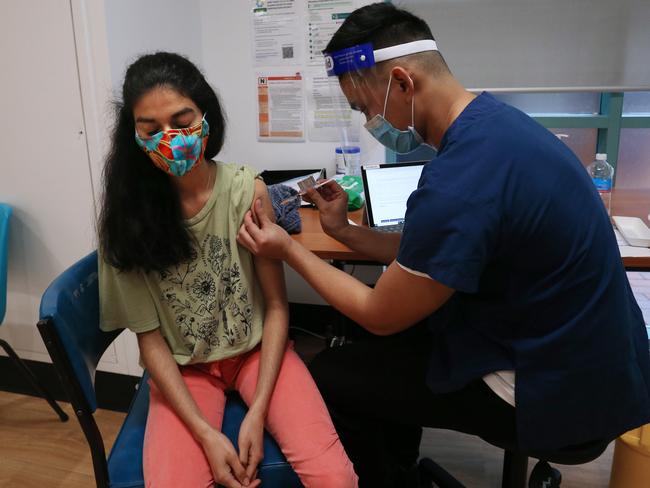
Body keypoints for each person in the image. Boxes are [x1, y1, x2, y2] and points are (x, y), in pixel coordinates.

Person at [236, 3, 650, 487]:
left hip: (554, 393)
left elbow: (378, 310)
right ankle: (401, 466)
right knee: (388, 343)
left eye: (365, 107)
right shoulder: (498, 127)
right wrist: (345, 232)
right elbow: (428, 256)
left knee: (333, 372)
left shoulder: (461, 178)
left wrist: (288, 250)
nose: (369, 120)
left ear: (404, 83)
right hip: (598, 364)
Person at [97, 52, 357, 488]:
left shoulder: (246, 190)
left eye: (182, 122)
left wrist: (256, 414)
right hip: (185, 368)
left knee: (336, 479)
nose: (171, 138)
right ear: (134, 137)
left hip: (256, 353)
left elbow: (276, 307)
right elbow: (151, 342)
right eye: (152, 130)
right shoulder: (127, 220)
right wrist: (206, 435)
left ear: (205, 117)